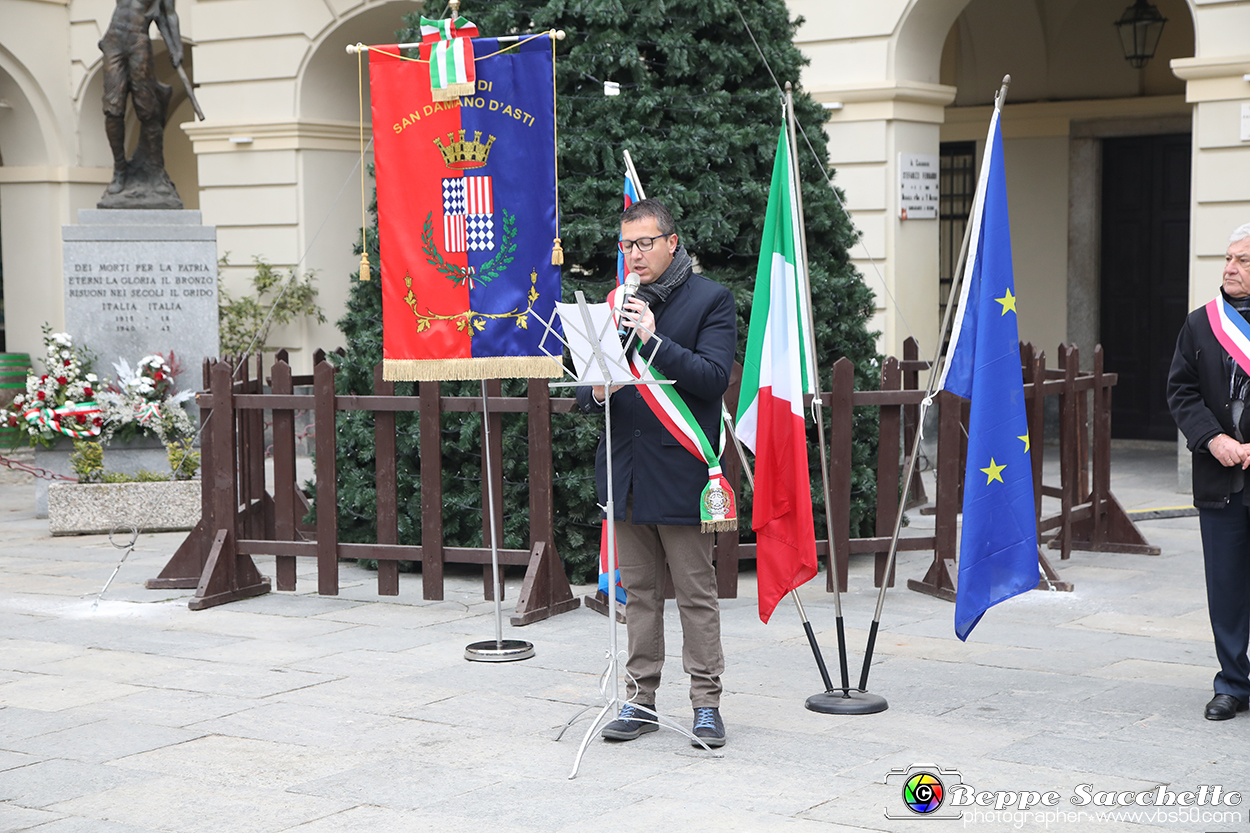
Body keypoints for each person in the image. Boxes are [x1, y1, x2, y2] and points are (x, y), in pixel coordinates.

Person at [576, 199, 737, 747]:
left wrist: (654, 339)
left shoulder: (711, 299)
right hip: (626, 469)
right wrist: (594, 389)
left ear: (672, 241)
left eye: (644, 243)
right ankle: (640, 698)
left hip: (684, 469)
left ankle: (706, 704)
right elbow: (588, 386)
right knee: (639, 591)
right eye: (626, 245)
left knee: (695, 592)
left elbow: (712, 378)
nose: (634, 255)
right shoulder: (615, 301)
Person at [1167, 221, 1250, 721]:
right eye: (1228, 258)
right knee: (1225, 586)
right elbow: (1181, 390)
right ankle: (1232, 683)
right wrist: (1212, 438)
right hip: (1220, 479)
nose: (1229, 268)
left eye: (1242, 260)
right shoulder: (1201, 323)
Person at [99, 0, 184, 204]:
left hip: (139, 38)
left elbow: (169, 14)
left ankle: (154, 168)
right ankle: (120, 170)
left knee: (147, 108)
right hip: (114, 37)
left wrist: (176, 47)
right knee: (113, 108)